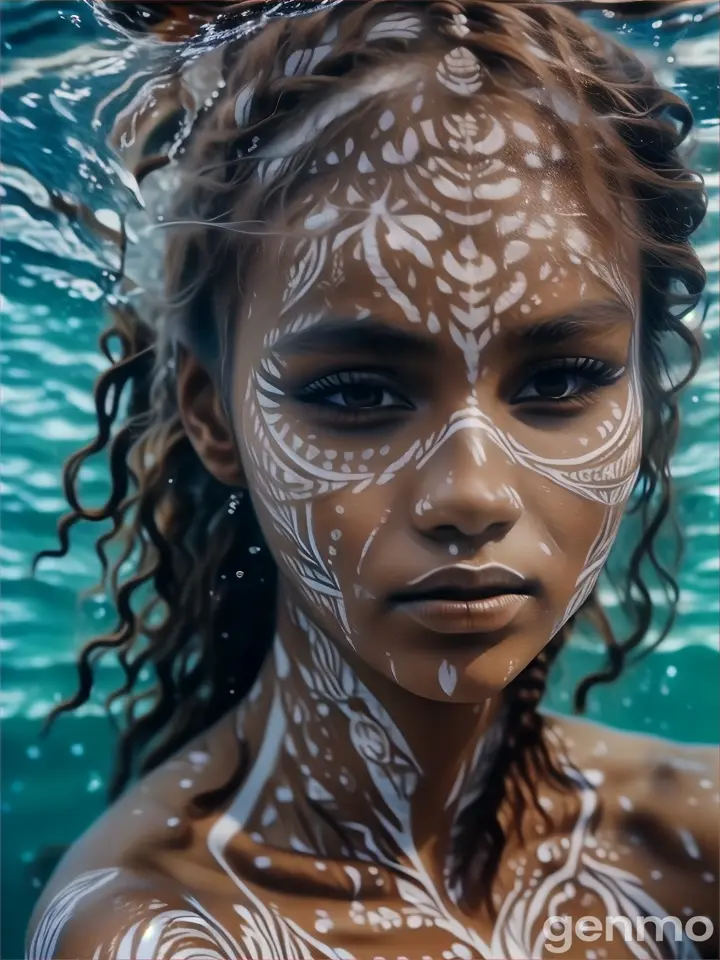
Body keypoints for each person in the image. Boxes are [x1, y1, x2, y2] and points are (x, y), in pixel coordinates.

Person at [25, 1, 719, 957]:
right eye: (356, 393)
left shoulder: (696, 849)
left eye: (560, 380)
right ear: (212, 412)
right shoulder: (160, 932)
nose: (473, 495)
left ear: (643, 390)